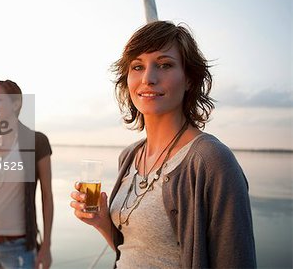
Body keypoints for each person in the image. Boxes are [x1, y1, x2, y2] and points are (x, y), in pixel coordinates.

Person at [70, 21, 257, 268]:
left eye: (164, 65)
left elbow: (236, 260)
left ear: (189, 79)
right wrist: (102, 221)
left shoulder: (211, 160)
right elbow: (132, 250)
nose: (148, 78)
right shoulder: (130, 156)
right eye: (137, 66)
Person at [0, 80, 53, 269]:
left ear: (16, 103)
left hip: (19, 246)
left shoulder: (37, 142)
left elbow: (47, 196)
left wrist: (47, 245)